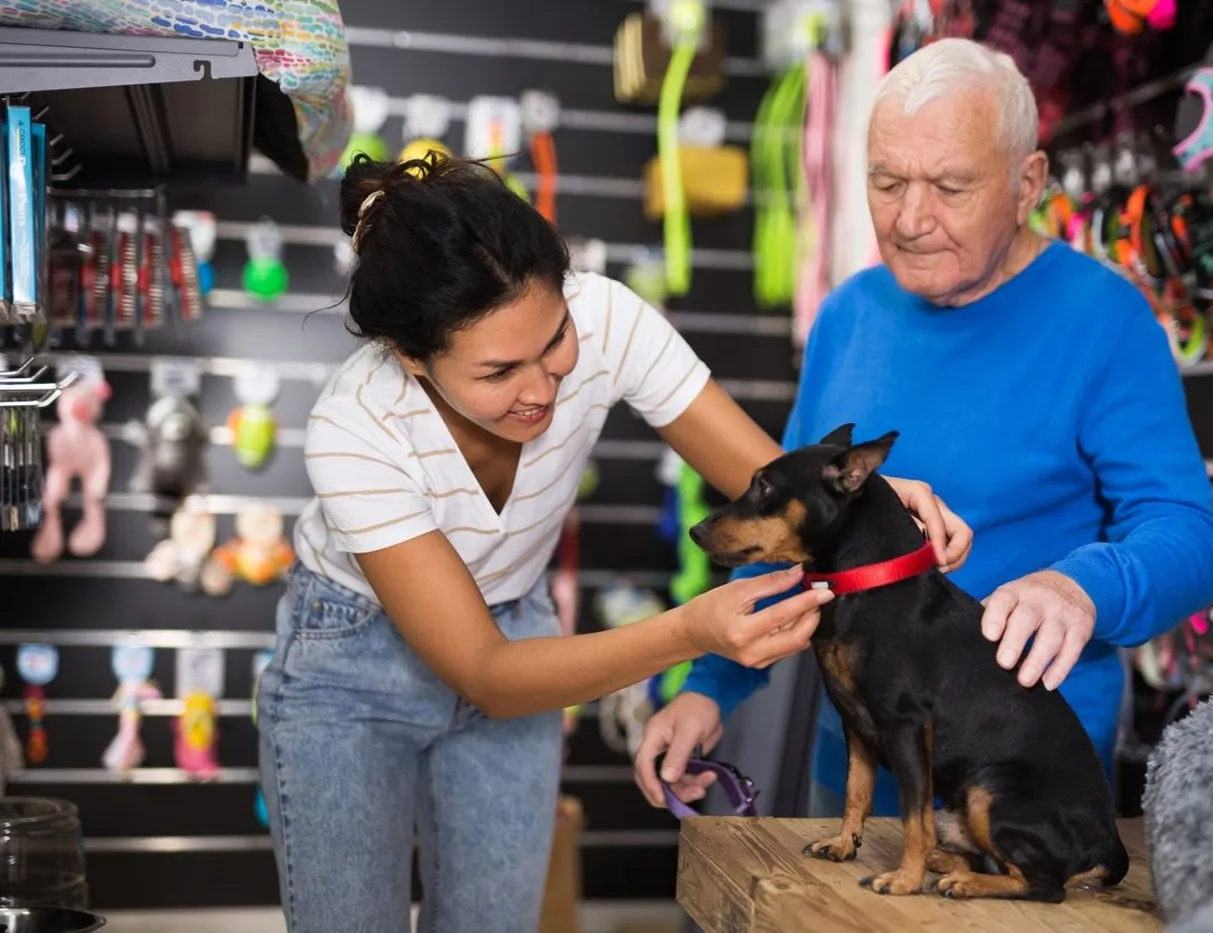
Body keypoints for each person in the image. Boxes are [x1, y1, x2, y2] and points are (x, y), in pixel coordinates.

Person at [255, 152, 974, 933]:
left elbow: (767, 478)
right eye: (499, 371)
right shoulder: (354, 429)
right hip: (352, 665)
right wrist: (692, 632)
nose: (543, 388)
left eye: (554, 340)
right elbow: (487, 674)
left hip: (518, 621)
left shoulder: (605, 317)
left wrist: (876, 498)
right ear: (412, 358)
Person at [634, 38, 1213, 821]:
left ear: (1027, 184)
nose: (911, 219)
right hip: (852, 770)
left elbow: (1190, 535)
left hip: (1020, 787)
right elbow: (791, 531)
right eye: (887, 182)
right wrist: (709, 686)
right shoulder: (845, 315)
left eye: (951, 187)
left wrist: (1082, 585)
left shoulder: (1107, 320)